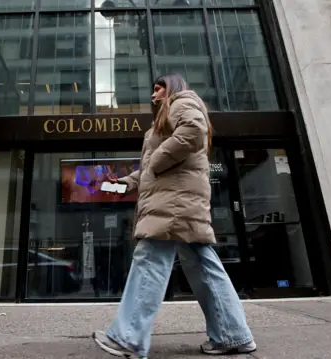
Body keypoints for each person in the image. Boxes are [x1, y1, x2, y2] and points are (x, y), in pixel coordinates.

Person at [92, 74, 256, 358]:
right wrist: (125, 183)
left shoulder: (182, 102)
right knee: (204, 267)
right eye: (154, 89)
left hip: (174, 202)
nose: (154, 94)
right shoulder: (170, 113)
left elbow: (193, 131)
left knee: (149, 258)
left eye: (159, 88)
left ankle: (128, 338)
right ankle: (233, 336)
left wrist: (155, 161)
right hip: (180, 200)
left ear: (174, 88)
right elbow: (157, 165)